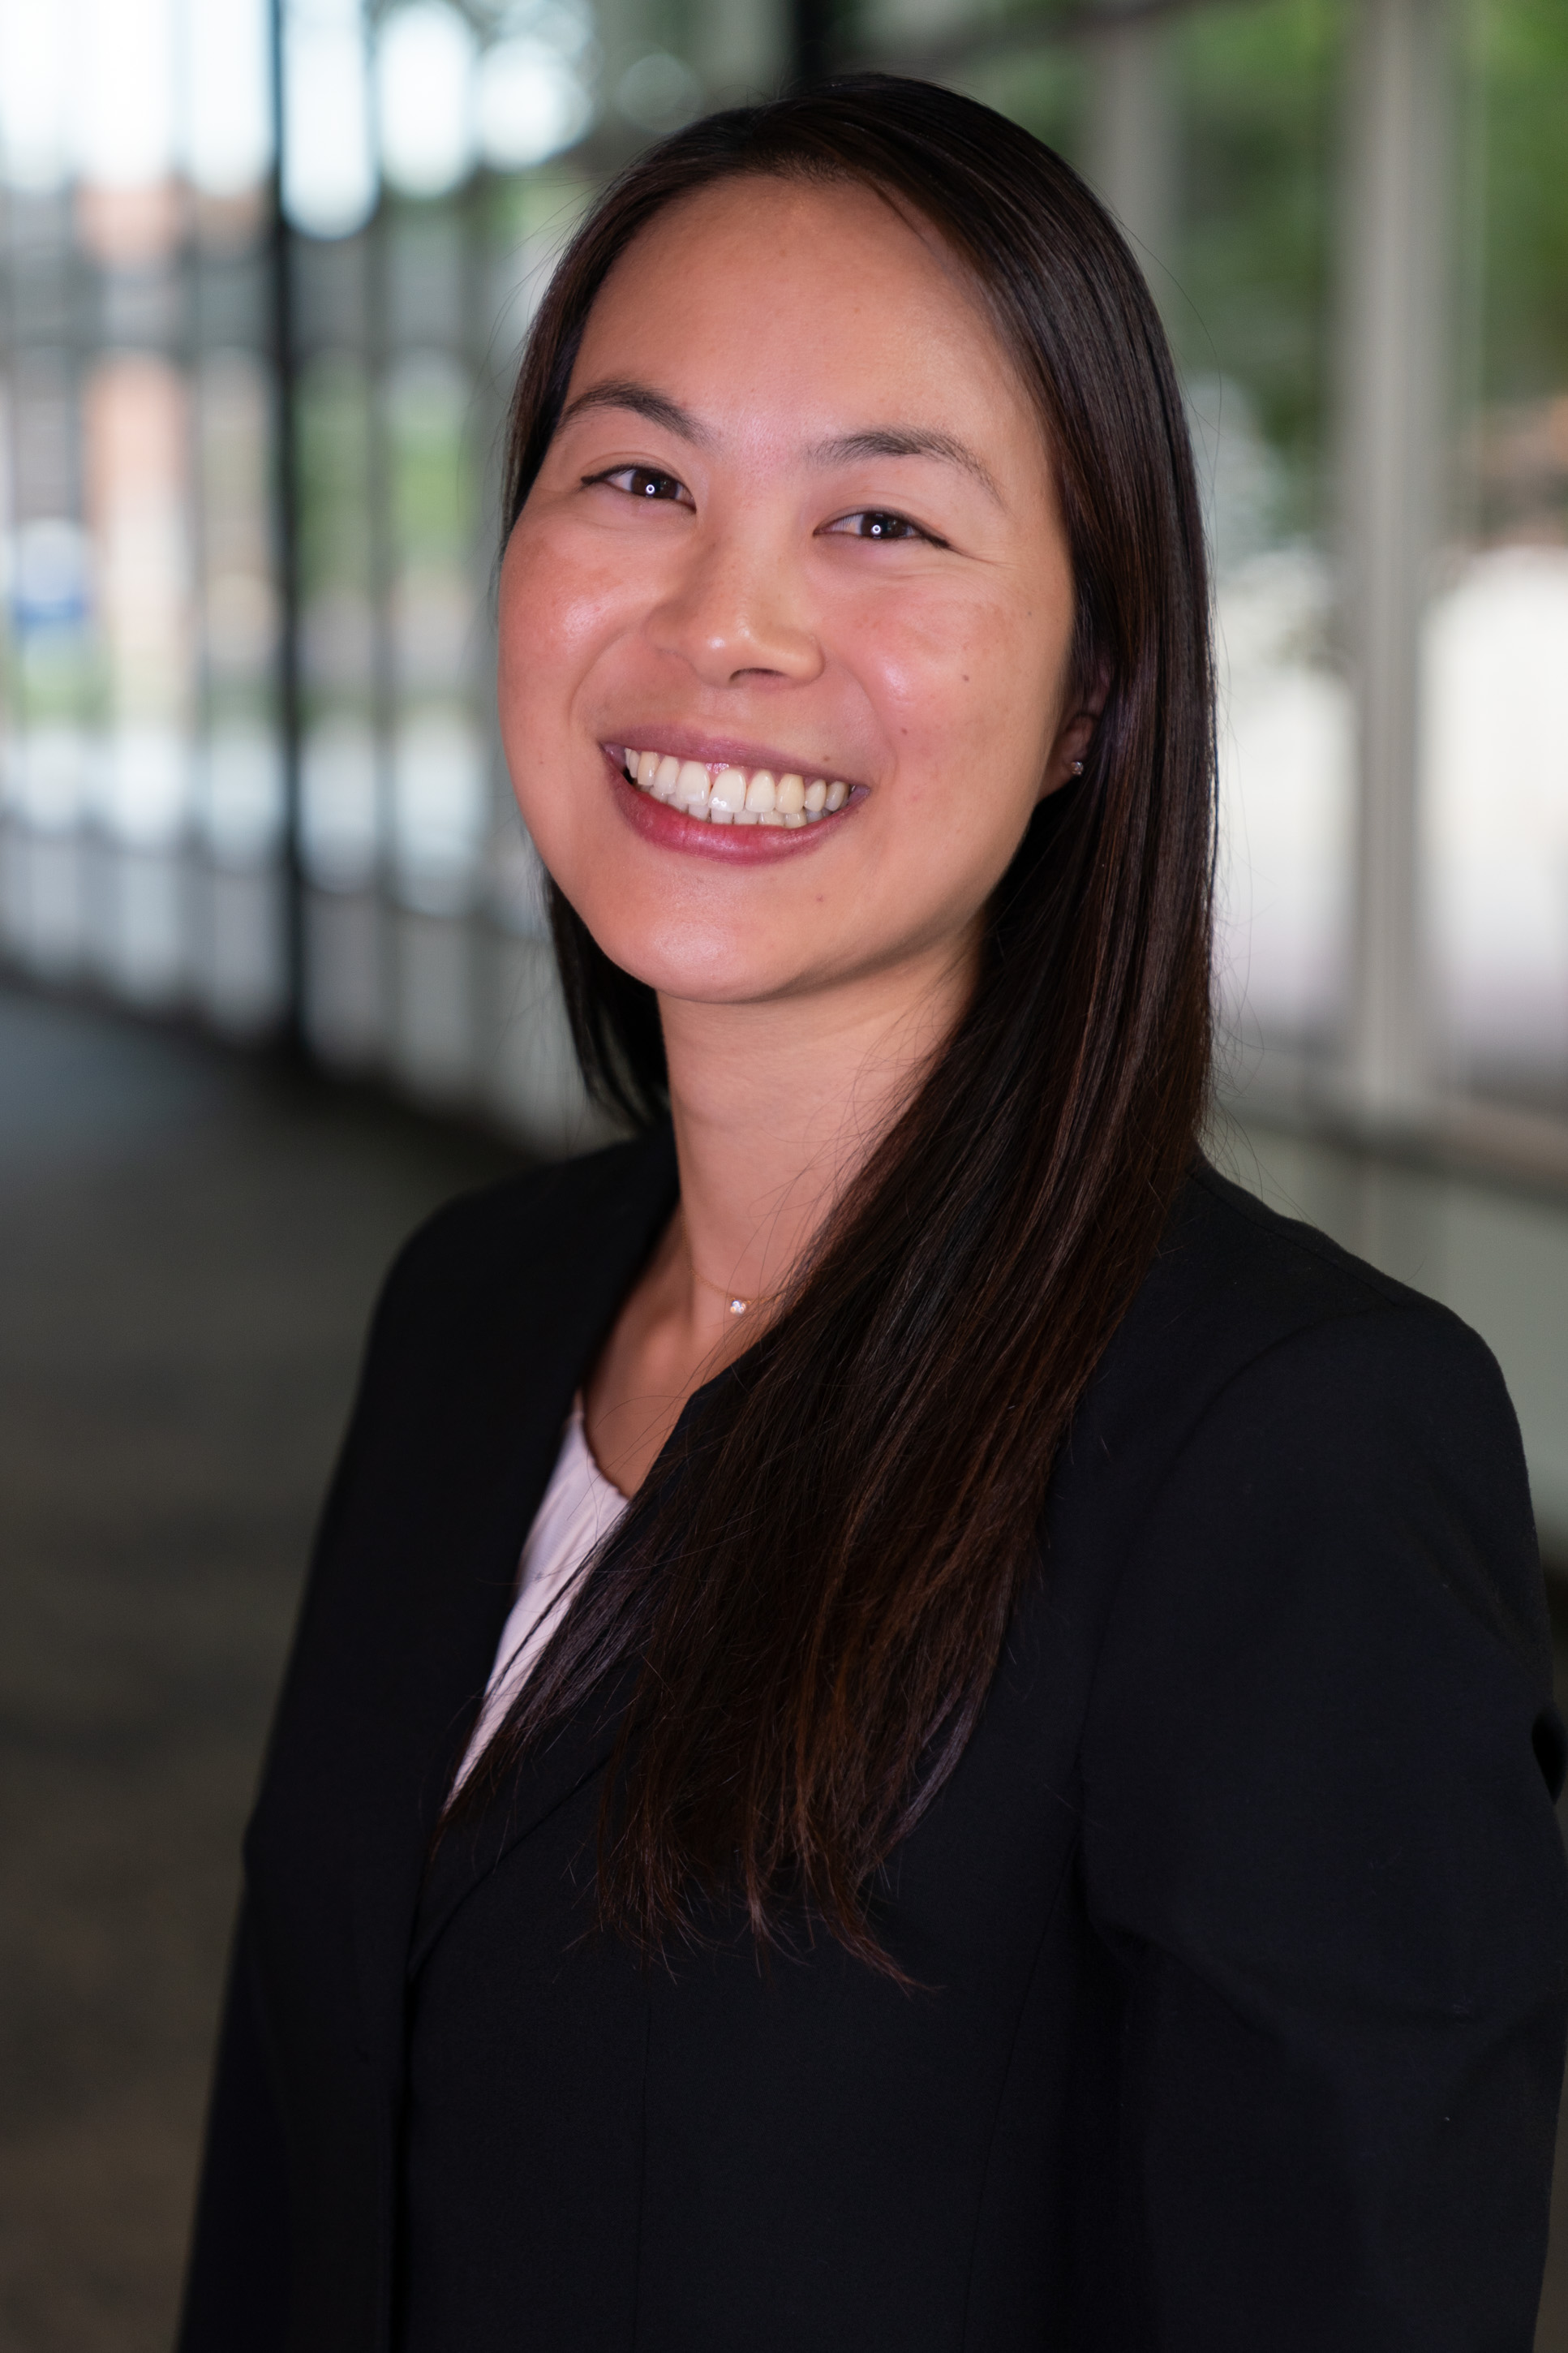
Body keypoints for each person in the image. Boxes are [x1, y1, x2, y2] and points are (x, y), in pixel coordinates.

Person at [178, 75, 1568, 2353]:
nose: (729, 624)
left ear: (1091, 696)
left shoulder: (1290, 1458)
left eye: (885, 525)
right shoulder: (472, 1310)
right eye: (638, 478)